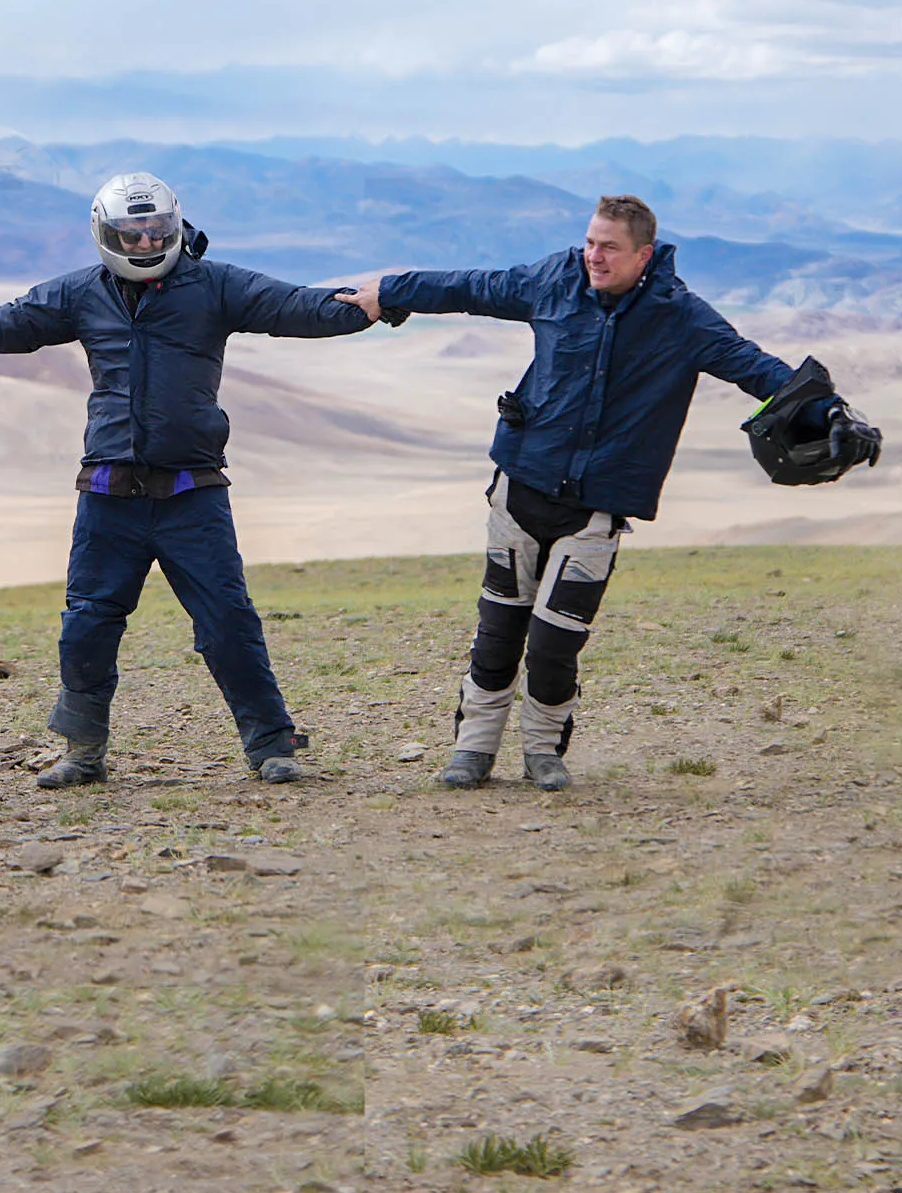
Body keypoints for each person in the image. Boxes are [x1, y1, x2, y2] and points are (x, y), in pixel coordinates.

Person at [0, 173, 371, 788]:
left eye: (155, 232)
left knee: (227, 621)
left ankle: (271, 744)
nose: (142, 243)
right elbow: (4, 323)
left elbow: (293, 305)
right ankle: (83, 751)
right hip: (109, 491)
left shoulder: (214, 285)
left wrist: (374, 302)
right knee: (87, 622)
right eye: (129, 234)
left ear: (176, 229)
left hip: (193, 489)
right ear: (105, 235)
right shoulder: (82, 293)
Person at [348, 195, 859, 792]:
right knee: (498, 634)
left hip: (597, 506)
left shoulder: (683, 318)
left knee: (554, 644)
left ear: (644, 254)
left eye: (609, 247)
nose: (593, 255)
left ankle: (543, 751)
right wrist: (390, 290)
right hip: (520, 489)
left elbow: (759, 370)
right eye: (590, 242)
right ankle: (473, 749)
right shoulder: (553, 280)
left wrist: (831, 412)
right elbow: (471, 287)